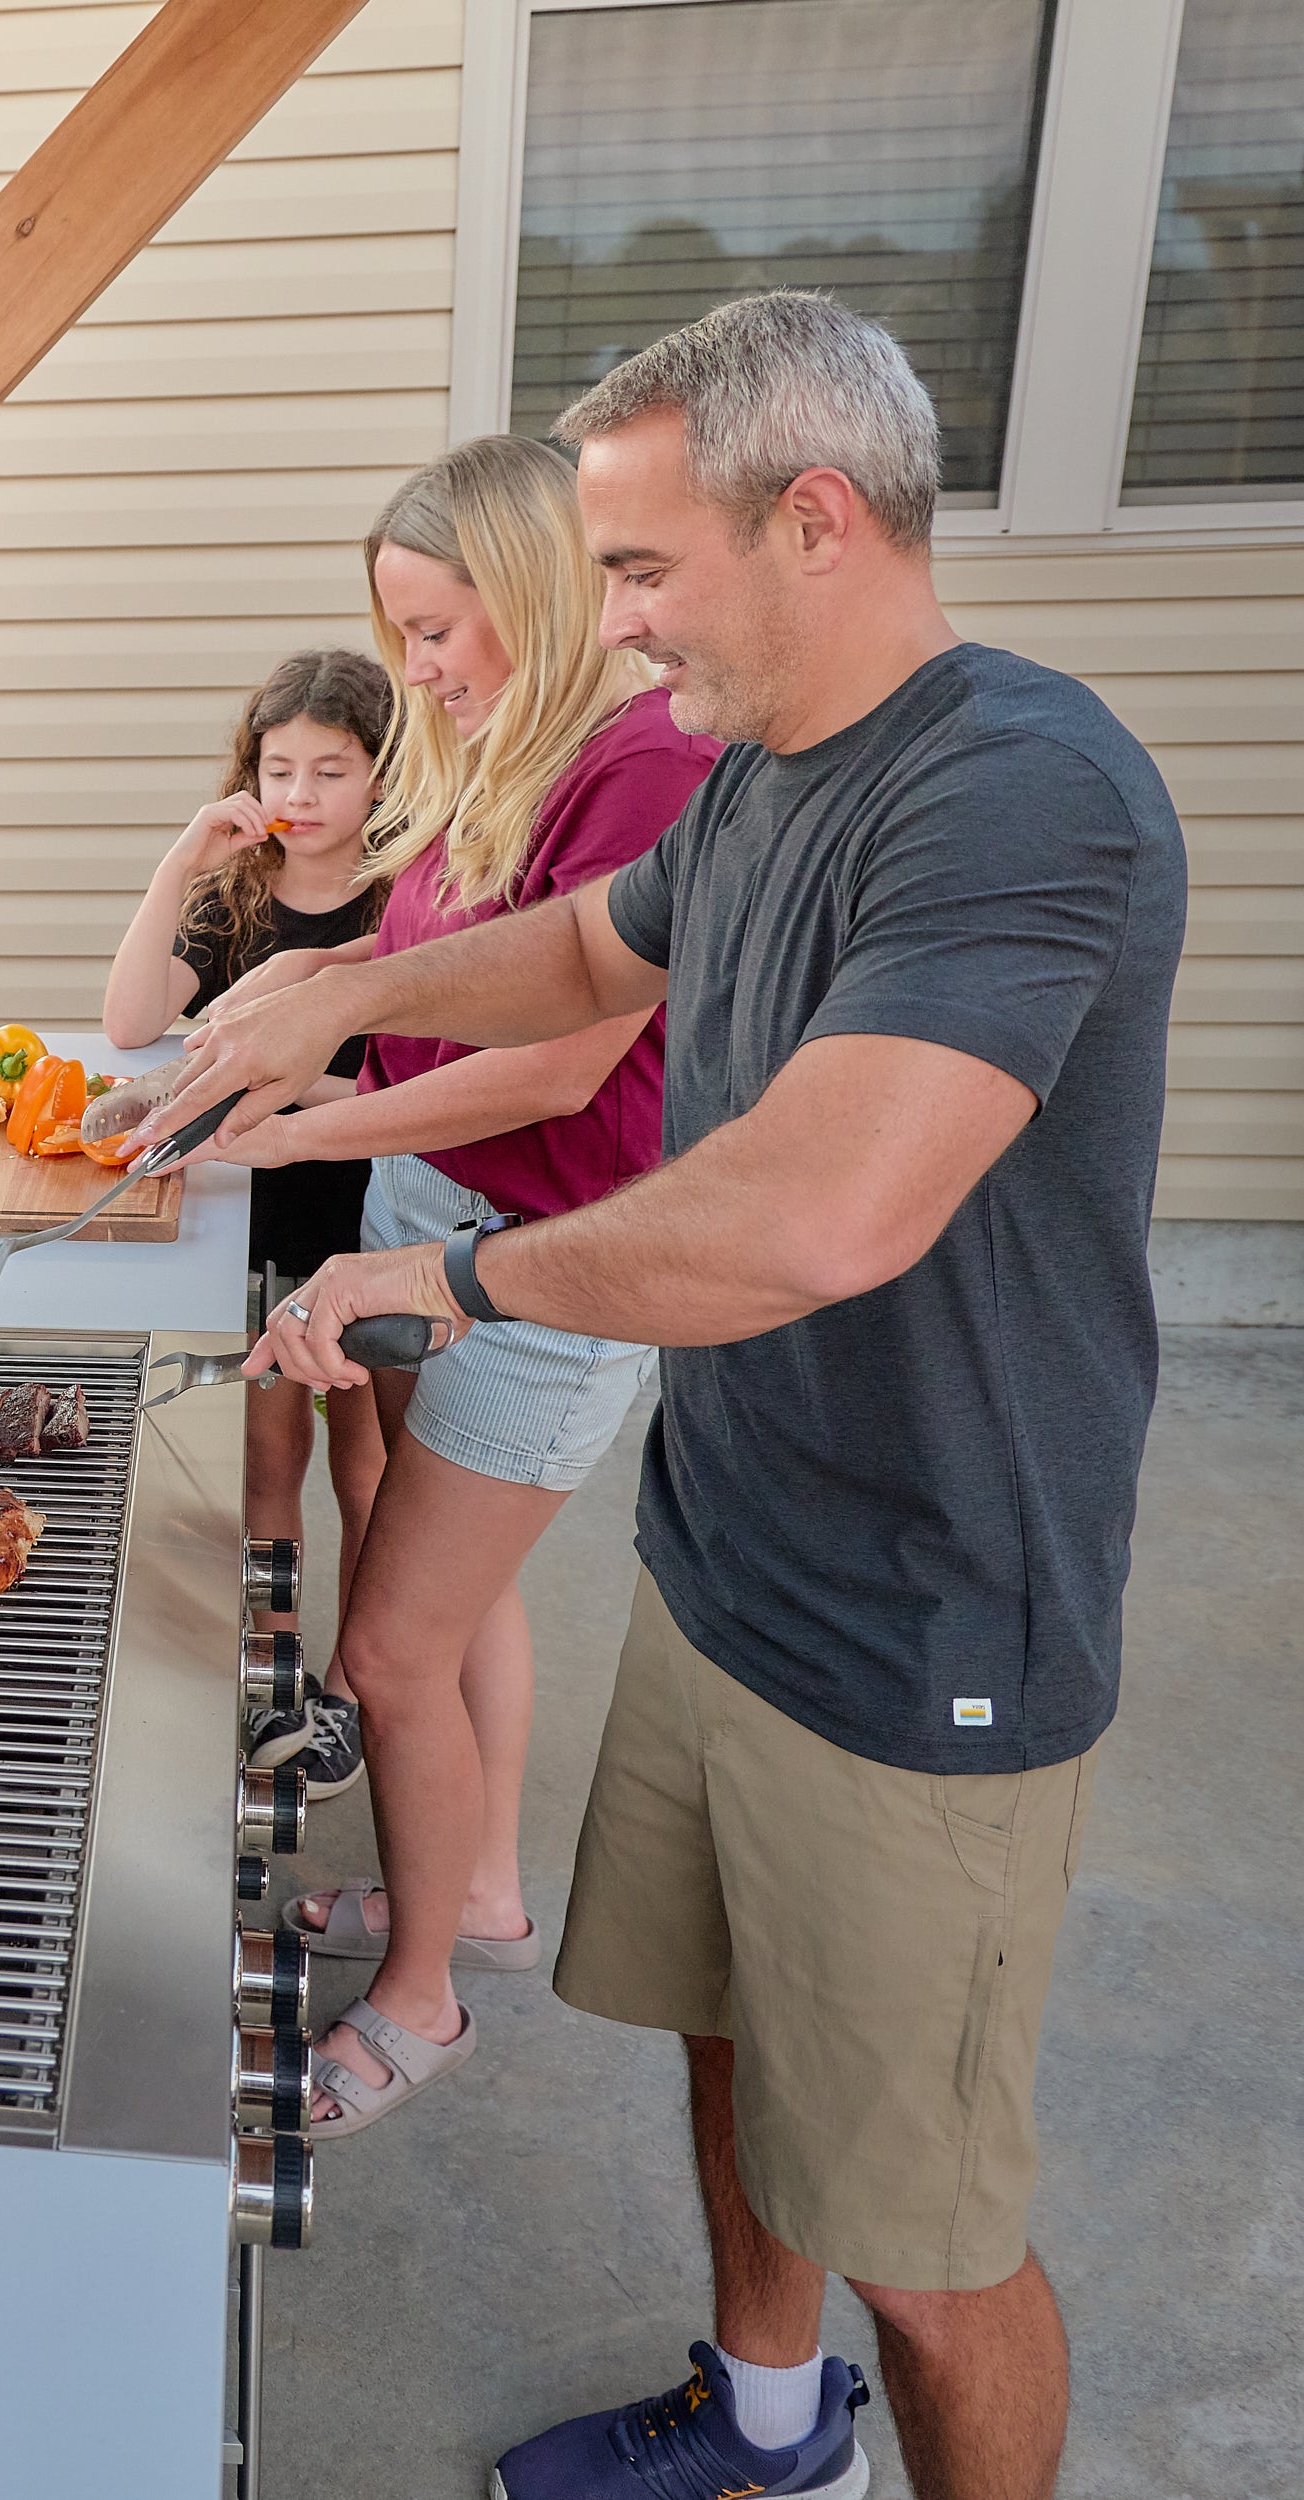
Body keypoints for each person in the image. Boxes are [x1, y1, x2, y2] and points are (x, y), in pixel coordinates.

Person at [158, 292, 1182, 2500]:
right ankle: (760, 2414)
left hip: (928, 1628)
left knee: (922, 2230)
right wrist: (322, 995)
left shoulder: (1013, 789)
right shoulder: (756, 795)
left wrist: (448, 1268)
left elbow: (819, 1211)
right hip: (733, 1560)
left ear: (810, 518)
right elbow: (576, 954)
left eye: (636, 571)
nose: (608, 629)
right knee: (735, 2047)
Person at [190, 437, 717, 2136]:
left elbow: (562, 1068)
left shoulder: (638, 768)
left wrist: (300, 1118)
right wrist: (307, 1059)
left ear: (536, 590)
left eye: (436, 630)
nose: (415, 670)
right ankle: (468, 1893)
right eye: (400, 633)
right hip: (435, 1209)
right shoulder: (507, 741)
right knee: (451, 1590)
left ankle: (421, 2007)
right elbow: (428, 978)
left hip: (545, 1269)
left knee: (392, 1653)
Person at [103, 648, 396, 1661]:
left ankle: (354, 1687)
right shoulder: (234, 893)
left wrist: (276, 1081)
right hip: (252, 1230)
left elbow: (410, 1096)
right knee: (267, 1460)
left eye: (330, 769)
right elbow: (131, 1016)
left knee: (370, 1470)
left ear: (381, 772)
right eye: (279, 770)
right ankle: (272, 1668)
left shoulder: (403, 905)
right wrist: (179, 860)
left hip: (366, 1222)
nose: (300, 794)